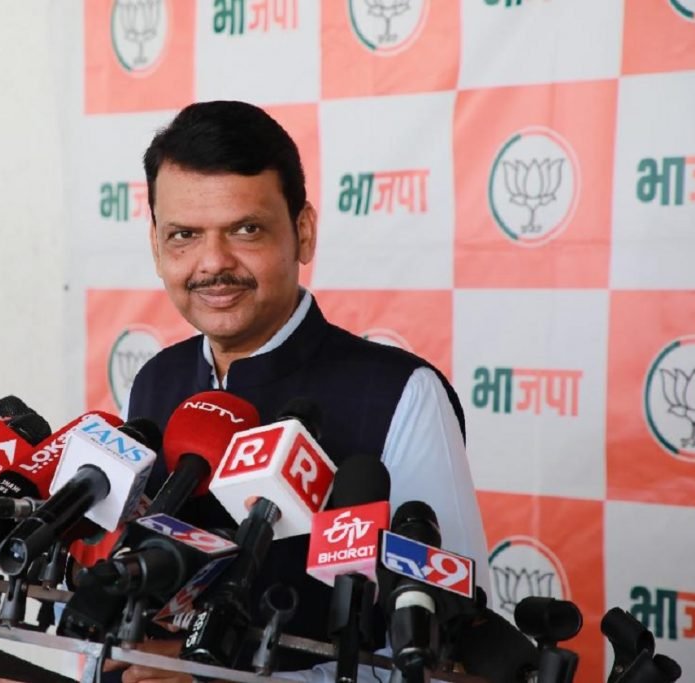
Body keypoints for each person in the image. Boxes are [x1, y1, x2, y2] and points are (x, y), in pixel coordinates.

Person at [114, 100, 489, 683]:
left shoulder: (400, 393)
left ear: (303, 233)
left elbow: (453, 659)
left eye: (245, 230)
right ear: (157, 246)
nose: (213, 263)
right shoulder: (154, 381)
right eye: (184, 235)